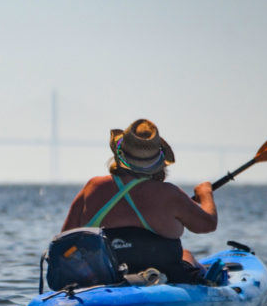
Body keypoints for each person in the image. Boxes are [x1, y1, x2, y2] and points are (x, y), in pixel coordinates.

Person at [60, 118, 218, 284]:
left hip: (104, 279)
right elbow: (208, 224)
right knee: (187, 255)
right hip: (164, 280)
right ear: (158, 161)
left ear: (120, 154)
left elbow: (64, 240)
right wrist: (205, 194)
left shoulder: (93, 187)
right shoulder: (170, 194)